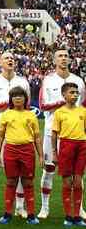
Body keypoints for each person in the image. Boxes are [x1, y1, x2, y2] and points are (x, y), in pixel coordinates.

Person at [38, 49, 86, 219]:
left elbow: (84, 105)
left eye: (66, 55)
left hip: (75, 135)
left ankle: (79, 208)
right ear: (54, 60)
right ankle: (45, 207)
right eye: (60, 56)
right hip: (52, 131)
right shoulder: (48, 80)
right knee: (49, 168)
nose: (64, 58)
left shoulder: (78, 81)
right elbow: (42, 104)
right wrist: (62, 102)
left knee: (78, 173)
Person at [0, 52, 31, 219]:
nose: (10, 60)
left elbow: (28, 105)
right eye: (6, 58)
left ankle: (19, 207)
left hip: (19, 131)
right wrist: (10, 103)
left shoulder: (22, 82)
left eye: (12, 58)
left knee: (19, 171)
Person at [0, 86, 43, 225]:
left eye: (20, 96)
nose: (17, 98)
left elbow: (37, 138)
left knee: (28, 182)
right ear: (11, 99)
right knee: (11, 181)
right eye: (15, 96)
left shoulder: (31, 115)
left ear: (25, 99)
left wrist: (40, 155)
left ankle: (31, 214)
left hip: (27, 150)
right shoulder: (6, 114)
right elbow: (0, 136)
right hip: (10, 150)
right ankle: (7, 213)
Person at [51, 82, 86, 227]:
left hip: (82, 146)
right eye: (71, 92)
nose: (75, 95)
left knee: (78, 182)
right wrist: (54, 153)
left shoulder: (83, 111)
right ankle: (68, 216)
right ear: (64, 95)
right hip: (66, 145)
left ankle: (77, 216)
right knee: (67, 182)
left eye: (76, 92)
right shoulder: (59, 112)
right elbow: (54, 134)